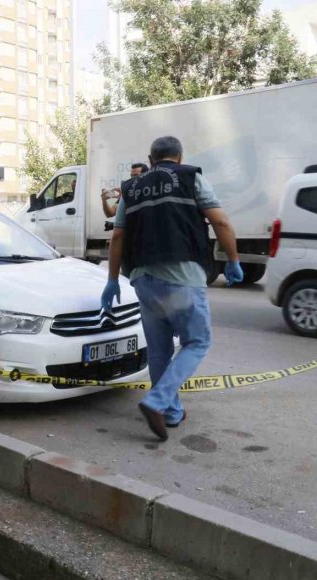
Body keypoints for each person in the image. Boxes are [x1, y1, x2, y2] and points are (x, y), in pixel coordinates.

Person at [100, 137, 243, 441]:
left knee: (159, 349)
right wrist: (232, 259)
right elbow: (220, 221)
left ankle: (171, 412)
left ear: (150, 159)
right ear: (180, 157)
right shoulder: (192, 177)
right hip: (181, 276)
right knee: (198, 342)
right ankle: (157, 400)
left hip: (143, 280)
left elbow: (118, 237)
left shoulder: (132, 187)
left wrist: (112, 280)